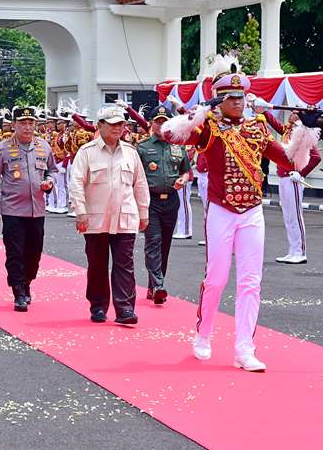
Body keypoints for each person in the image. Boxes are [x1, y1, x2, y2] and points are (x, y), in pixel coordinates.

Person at [161, 54, 315, 371]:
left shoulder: (258, 128)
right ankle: (203, 335)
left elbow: (289, 161)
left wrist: (305, 133)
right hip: (220, 209)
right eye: (230, 97)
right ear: (220, 99)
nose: (237, 101)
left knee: (251, 281)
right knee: (216, 278)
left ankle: (245, 347)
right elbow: (169, 134)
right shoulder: (210, 129)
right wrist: (200, 112)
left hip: (252, 212)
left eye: (241, 96)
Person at [69, 104, 149, 325]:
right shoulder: (87, 153)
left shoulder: (131, 153)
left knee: (125, 264)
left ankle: (124, 309)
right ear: (100, 125)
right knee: (97, 265)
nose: (118, 128)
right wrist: (81, 212)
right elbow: (76, 183)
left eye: (121, 124)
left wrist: (144, 212)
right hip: (96, 219)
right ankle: (98, 306)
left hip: (125, 218)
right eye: (112, 124)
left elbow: (140, 184)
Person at [0, 106, 57, 312]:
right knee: (15, 252)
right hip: (12, 210)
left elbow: (52, 170)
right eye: (22, 123)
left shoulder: (44, 146)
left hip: (37, 210)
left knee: (34, 253)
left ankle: (27, 281)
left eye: (30, 123)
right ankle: (18, 291)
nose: (27, 127)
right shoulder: (3, 148)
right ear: (14, 125)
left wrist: (49, 181)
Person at [136, 105, 190, 305]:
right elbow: (136, 176)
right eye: (157, 121)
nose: (161, 125)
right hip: (150, 201)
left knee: (165, 244)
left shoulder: (178, 146)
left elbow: (186, 170)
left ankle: (154, 285)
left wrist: (183, 180)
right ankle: (159, 284)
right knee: (154, 242)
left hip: (171, 201)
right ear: (151, 124)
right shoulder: (142, 148)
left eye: (164, 121)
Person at [261, 109, 321, 264]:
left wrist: (301, 174)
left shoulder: (303, 134)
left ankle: (300, 252)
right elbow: (275, 125)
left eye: (294, 113)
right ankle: (292, 250)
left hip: (293, 178)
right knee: (288, 217)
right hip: (283, 177)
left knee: (295, 217)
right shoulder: (289, 131)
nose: (291, 115)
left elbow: (316, 157)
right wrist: (263, 111)